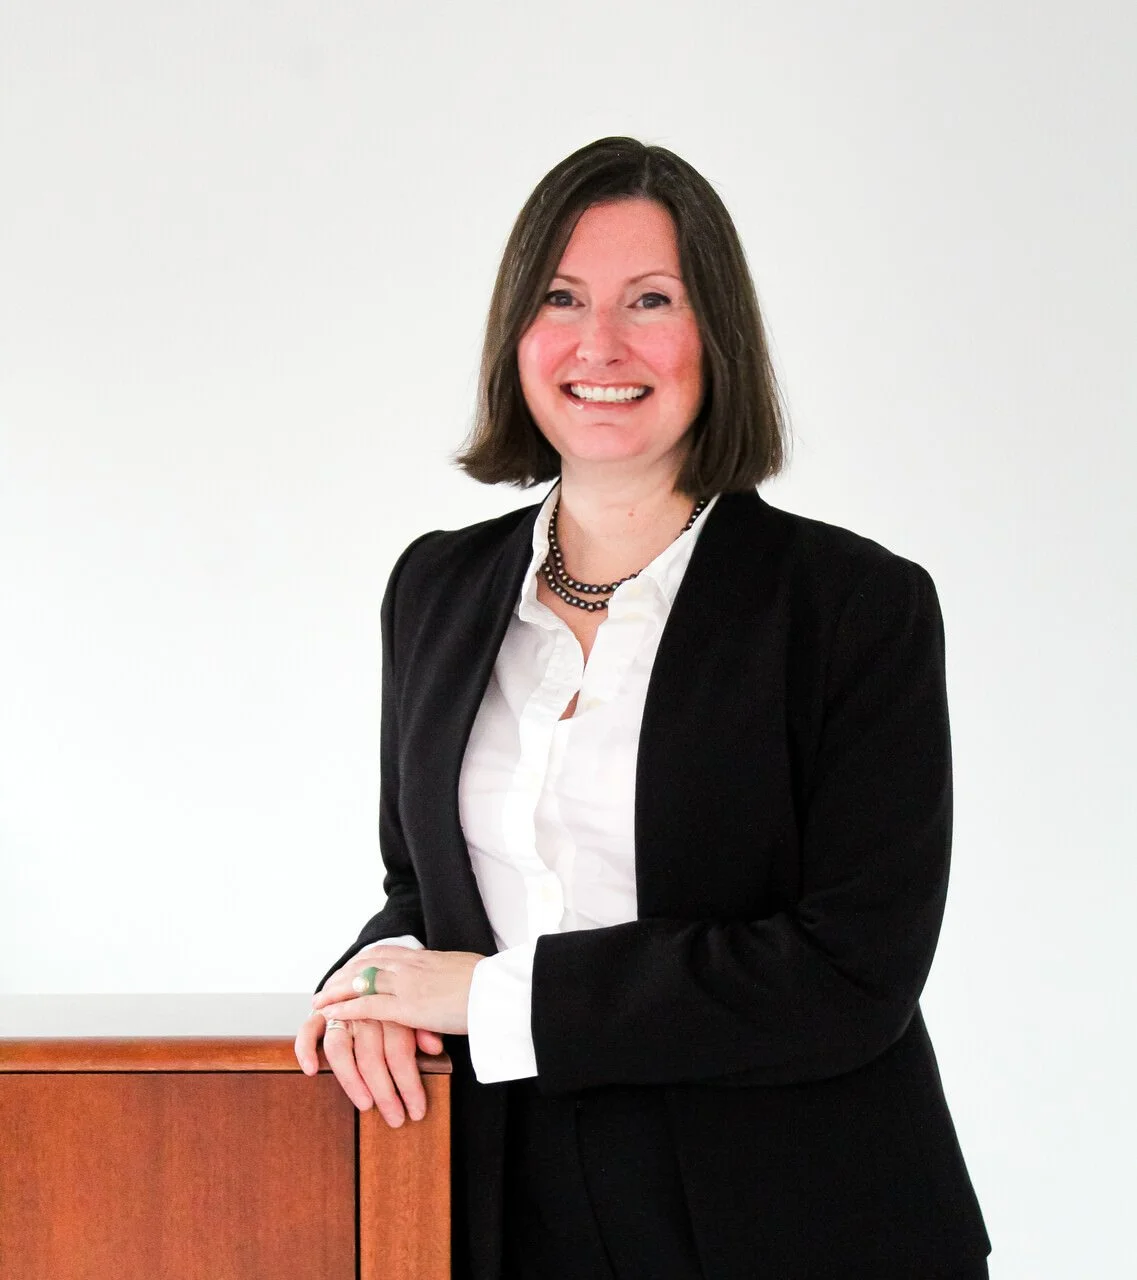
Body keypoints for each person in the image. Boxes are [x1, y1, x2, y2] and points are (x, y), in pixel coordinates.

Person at [294, 136, 991, 1280]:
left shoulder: (856, 606)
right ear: (516, 334)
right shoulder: (435, 587)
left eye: (651, 299)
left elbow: (852, 972)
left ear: (717, 334)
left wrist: (495, 997)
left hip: (797, 1218)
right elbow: (421, 882)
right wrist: (375, 976)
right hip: (501, 1206)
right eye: (560, 297)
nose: (599, 343)